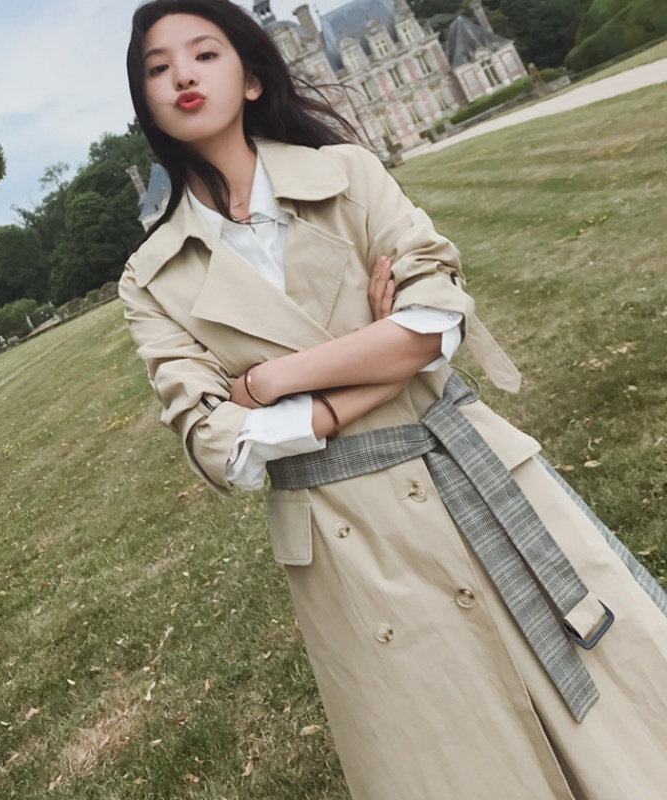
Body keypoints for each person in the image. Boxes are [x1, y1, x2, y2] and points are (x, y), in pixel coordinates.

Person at [119, 2, 667, 797]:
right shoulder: (150, 277)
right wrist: (379, 363)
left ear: (252, 78)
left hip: (467, 475)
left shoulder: (348, 175)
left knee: (622, 724)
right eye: (157, 67)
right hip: (349, 548)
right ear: (147, 103)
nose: (182, 75)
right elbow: (220, 446)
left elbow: (435, 321)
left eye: (204, 53)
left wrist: (272, 384)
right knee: (456, 758)